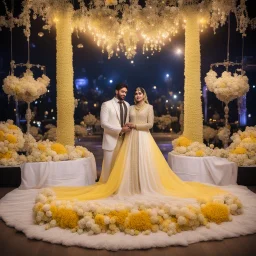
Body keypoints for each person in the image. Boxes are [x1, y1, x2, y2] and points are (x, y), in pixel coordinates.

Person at [53, 87, 227, 201]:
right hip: (129, 138)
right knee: (129, 163)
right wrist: (125, 127)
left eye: (139, 93)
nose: (137, 95)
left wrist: (135, 125)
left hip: (143, 138)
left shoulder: (149, 108)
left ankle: (145, 186)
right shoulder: (129, 107)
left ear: (144, 95)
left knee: (145, 162)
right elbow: (123, 120)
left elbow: (150, 125)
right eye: (135, 93)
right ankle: (128, 186)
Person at [99, 83, 131, 182]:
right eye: (122, 91)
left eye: (125, 92)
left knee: (122, 167)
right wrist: (120, 129)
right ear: (116, 91)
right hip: (111, 139)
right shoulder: (106, 104)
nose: (124, 94)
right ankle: (106, 188)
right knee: (108, 168)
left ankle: (118, 188)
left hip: (125, 140)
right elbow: (103, 123)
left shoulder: (127, 104)